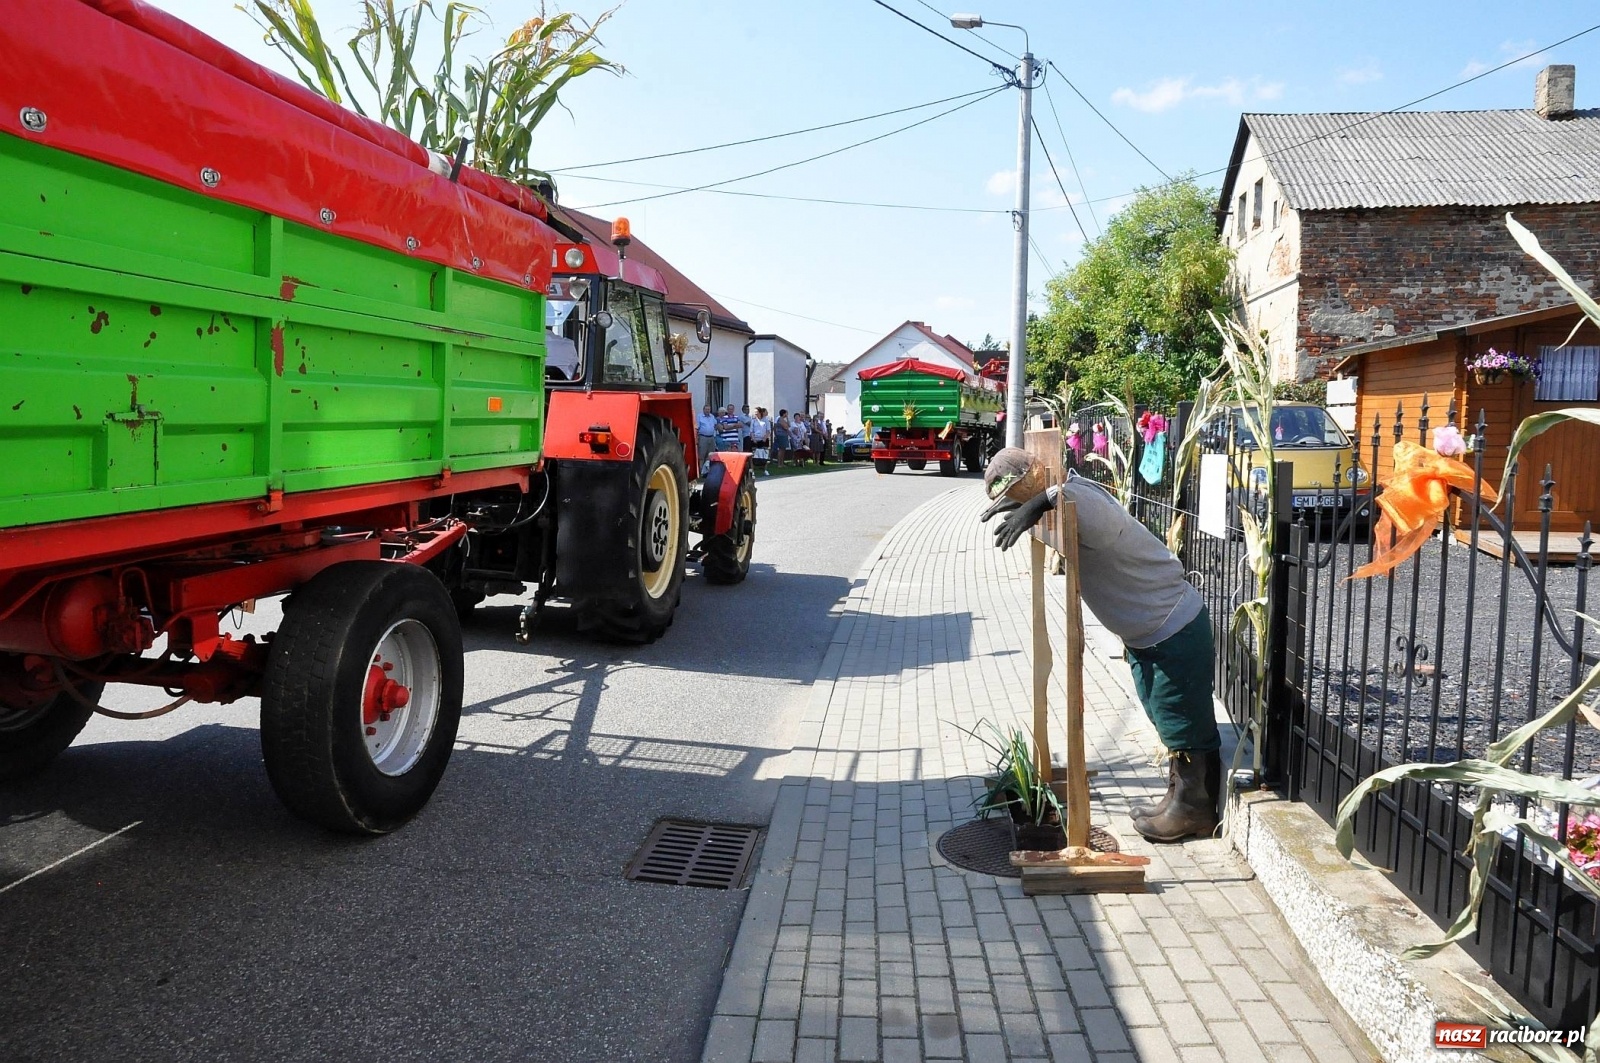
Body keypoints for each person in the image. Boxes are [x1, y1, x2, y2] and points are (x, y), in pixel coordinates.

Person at [980, 447, 1222, 843]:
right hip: (1149, 633)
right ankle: (1178, 797)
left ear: (1036, 477)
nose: (1020, 507)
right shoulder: (1065, 495)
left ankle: (1195, 810)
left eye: (1021, 497)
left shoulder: (1079, 495)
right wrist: (1038, 504)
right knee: (1165, 715)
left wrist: (1041, 502)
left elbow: (1080, 503)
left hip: (1172, 626)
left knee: (1183, 719)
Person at [749, 407, 773, 476]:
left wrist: (765, 437)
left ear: (760, 413)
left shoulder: (766, 420)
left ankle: (765, 470)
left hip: (763, 439)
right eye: (755, 412)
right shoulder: (753, 420)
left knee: (765, 455)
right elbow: (751, 431)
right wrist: (753, 438)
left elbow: (768, 430)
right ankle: (753, 470)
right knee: (753, 455)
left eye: (757, 412)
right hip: (755, 439)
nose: (756, 414)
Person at [696, 404, 717, 471]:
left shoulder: (712, 416)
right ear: (703, 410)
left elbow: (715, 425)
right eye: (706, 409)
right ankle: (701, 470)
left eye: (709, 409)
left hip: (711, 438)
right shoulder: (700, 416)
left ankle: (709, 470)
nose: (708, 411)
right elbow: (697, 427)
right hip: (703, 437)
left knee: (711, 455)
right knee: (702, 454)